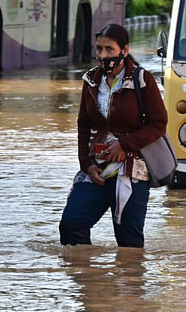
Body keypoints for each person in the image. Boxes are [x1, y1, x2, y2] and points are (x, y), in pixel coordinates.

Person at [59, 23, 167, 249]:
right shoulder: (90, 80)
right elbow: (83, 125)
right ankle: (87, 280)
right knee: (71, 225)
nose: (103, 55)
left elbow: (159, 124)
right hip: (96, 169)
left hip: (131, 171)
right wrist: (86, 164)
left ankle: (127, 283)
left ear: (124, 50)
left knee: (129, 244)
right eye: (99, 49)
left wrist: (124, 144)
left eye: (109, 49)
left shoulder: (142, 80)